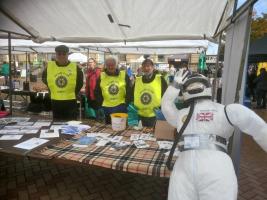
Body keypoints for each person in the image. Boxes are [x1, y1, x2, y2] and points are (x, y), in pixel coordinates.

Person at [161, 68, 267, 200]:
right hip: (204, 169)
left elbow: (166, 106)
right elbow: (259, 128)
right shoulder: (226, 110)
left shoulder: (225, 110)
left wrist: (174, 86)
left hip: (189, 169)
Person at [42, 45, 83, 120]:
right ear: (56, 55)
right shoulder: (50, 66)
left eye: (64, 54)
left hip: (70, 101)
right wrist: (52, 87)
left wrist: (73, 91)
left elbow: (80, 82)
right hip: (55, 101)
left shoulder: (75, 67)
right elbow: (44, 78)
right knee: (57, 124)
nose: (61, 56)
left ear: (67, 54)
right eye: (59, 54)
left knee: (71, 124)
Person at [95, 57, 131, 124]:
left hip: (121, 107)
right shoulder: (102, 76)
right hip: (106, 108)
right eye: (108, 65)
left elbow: (129, 90)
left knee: (121, 128)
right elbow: (97, 91)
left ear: (116, 65)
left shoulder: (123, 75)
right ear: (106, 65)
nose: (111, 67)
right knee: (108, 129)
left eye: (112, 65)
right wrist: (100, 104)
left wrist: (126, 103)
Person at [132, 59, 167, 127]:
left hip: (155, 115)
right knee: (141, 133)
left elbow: (166, 95)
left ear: (153, 67)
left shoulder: (160, 79)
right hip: (140, 115)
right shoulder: (138, 80)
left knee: (153, 134)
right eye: (144, 66)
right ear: (142, 68)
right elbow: (132, 94)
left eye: (148, 66)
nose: (146, 68)